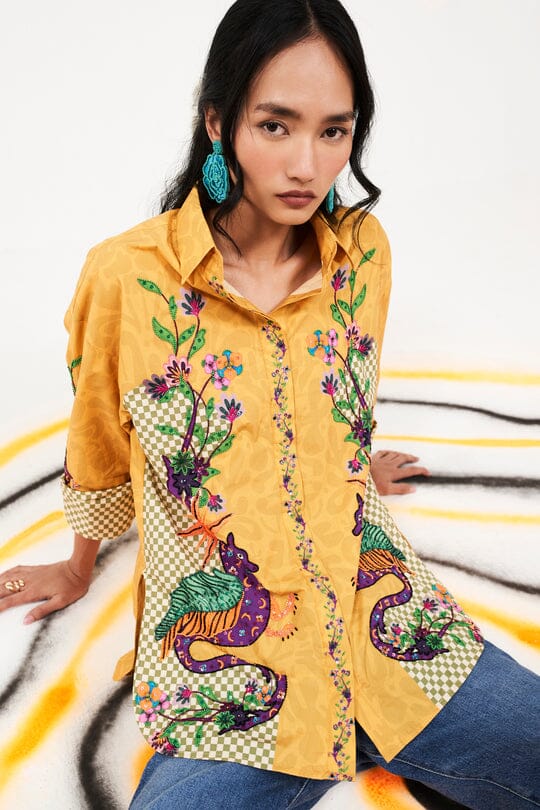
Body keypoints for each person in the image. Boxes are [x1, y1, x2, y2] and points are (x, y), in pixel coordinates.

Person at [1, 1, 538, 808]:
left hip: (391, 638)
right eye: (276, 125)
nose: (307, 166)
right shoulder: (127, 279)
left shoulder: (363, 257)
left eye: (334, 131)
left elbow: (332, 400)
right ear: (219, 123)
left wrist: (352, 466)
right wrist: (79, 566)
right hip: (238, 690)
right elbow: (101, 442)